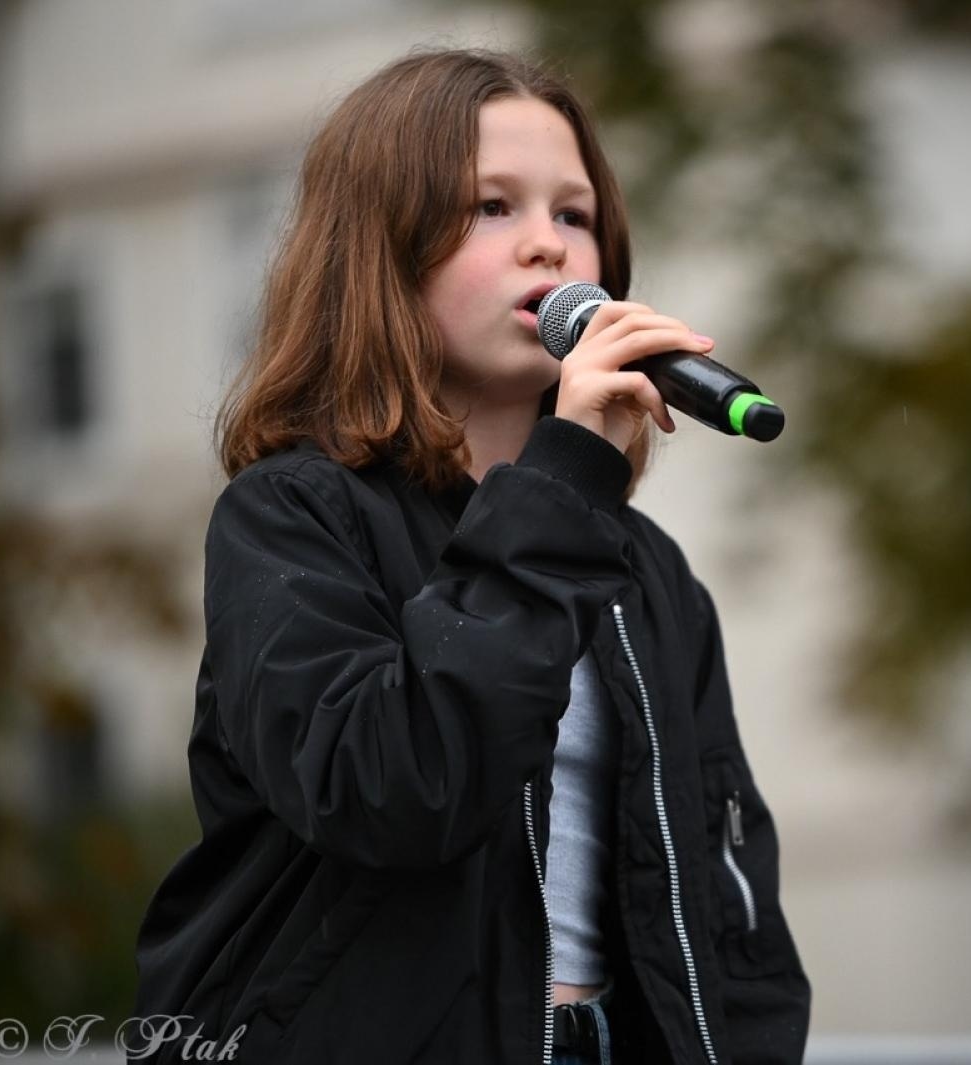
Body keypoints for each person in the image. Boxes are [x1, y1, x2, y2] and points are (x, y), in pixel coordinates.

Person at [131, 48, 810, 1065]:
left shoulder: (647, 573)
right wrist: (566, 477)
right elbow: (396, 787)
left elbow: (729, 895)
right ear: (381, 252)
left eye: (574, 214)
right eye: (494, 207)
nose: (549, 247)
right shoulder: (292, 518)